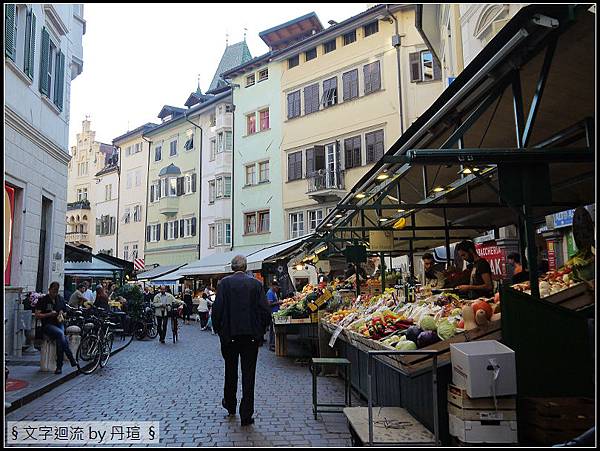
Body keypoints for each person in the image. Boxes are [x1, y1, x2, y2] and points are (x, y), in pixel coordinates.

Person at [212, 255, 272, 426]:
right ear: (245, 268)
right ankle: (246, 414)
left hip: (230, 335)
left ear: (232, 267)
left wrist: (219, 329)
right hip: (250, 337)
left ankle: (230, 404)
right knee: (248, 375)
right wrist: (260, 331)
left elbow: (217, 309)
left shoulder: (224, 284)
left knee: (230, 371)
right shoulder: (256, 284)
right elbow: (265, 311)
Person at [34, 282, 77, 374]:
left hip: (59, 323)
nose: (55, 293)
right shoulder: (43, 300)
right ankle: (71, 358)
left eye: (56, 291)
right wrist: (49, 314)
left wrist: (62, 313)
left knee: (61, 340)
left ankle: (59, 367)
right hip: (47, 325)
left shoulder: (60, 299)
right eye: (53, 291)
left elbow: (65, 312)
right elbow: (37, 315)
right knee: (61, 335)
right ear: (49, 290)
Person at [266, 281, 282, 352]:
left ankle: (273, 344)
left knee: (273, 329)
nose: (278, 289)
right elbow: (269, 304)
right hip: (272, 313)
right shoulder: (270, 293)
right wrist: (279, 302)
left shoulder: (274, 292)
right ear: (273, 286)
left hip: (275, 312)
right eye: (277, 287)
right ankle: (272, 345)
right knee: (272, 330)